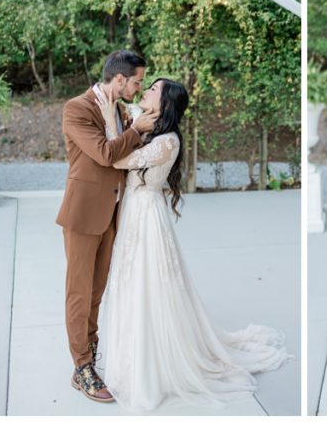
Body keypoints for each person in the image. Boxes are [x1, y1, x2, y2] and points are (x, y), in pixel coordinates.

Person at [96, 78, 290, 411]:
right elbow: (127, 122)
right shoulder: (149, 132)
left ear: (166, 104)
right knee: (130, 281)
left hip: (147, 216)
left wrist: (112, 122)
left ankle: (153, 360)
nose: (146, 91)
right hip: (134, 211)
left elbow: (117, 161)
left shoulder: (167, 142)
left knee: (150, 284)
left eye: (153, 90)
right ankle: (131, 351)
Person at [56, 50, 158, 402]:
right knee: (79, 292)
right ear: (119, 79)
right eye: (137, 81)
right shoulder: (77, 108)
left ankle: (91, 353)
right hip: (83, 214)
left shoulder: (116, 108)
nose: (138, 87)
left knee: (97, 291)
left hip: (112, 212)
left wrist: (139, 128)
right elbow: (103, 153)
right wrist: (137, 130)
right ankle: (82, 367)